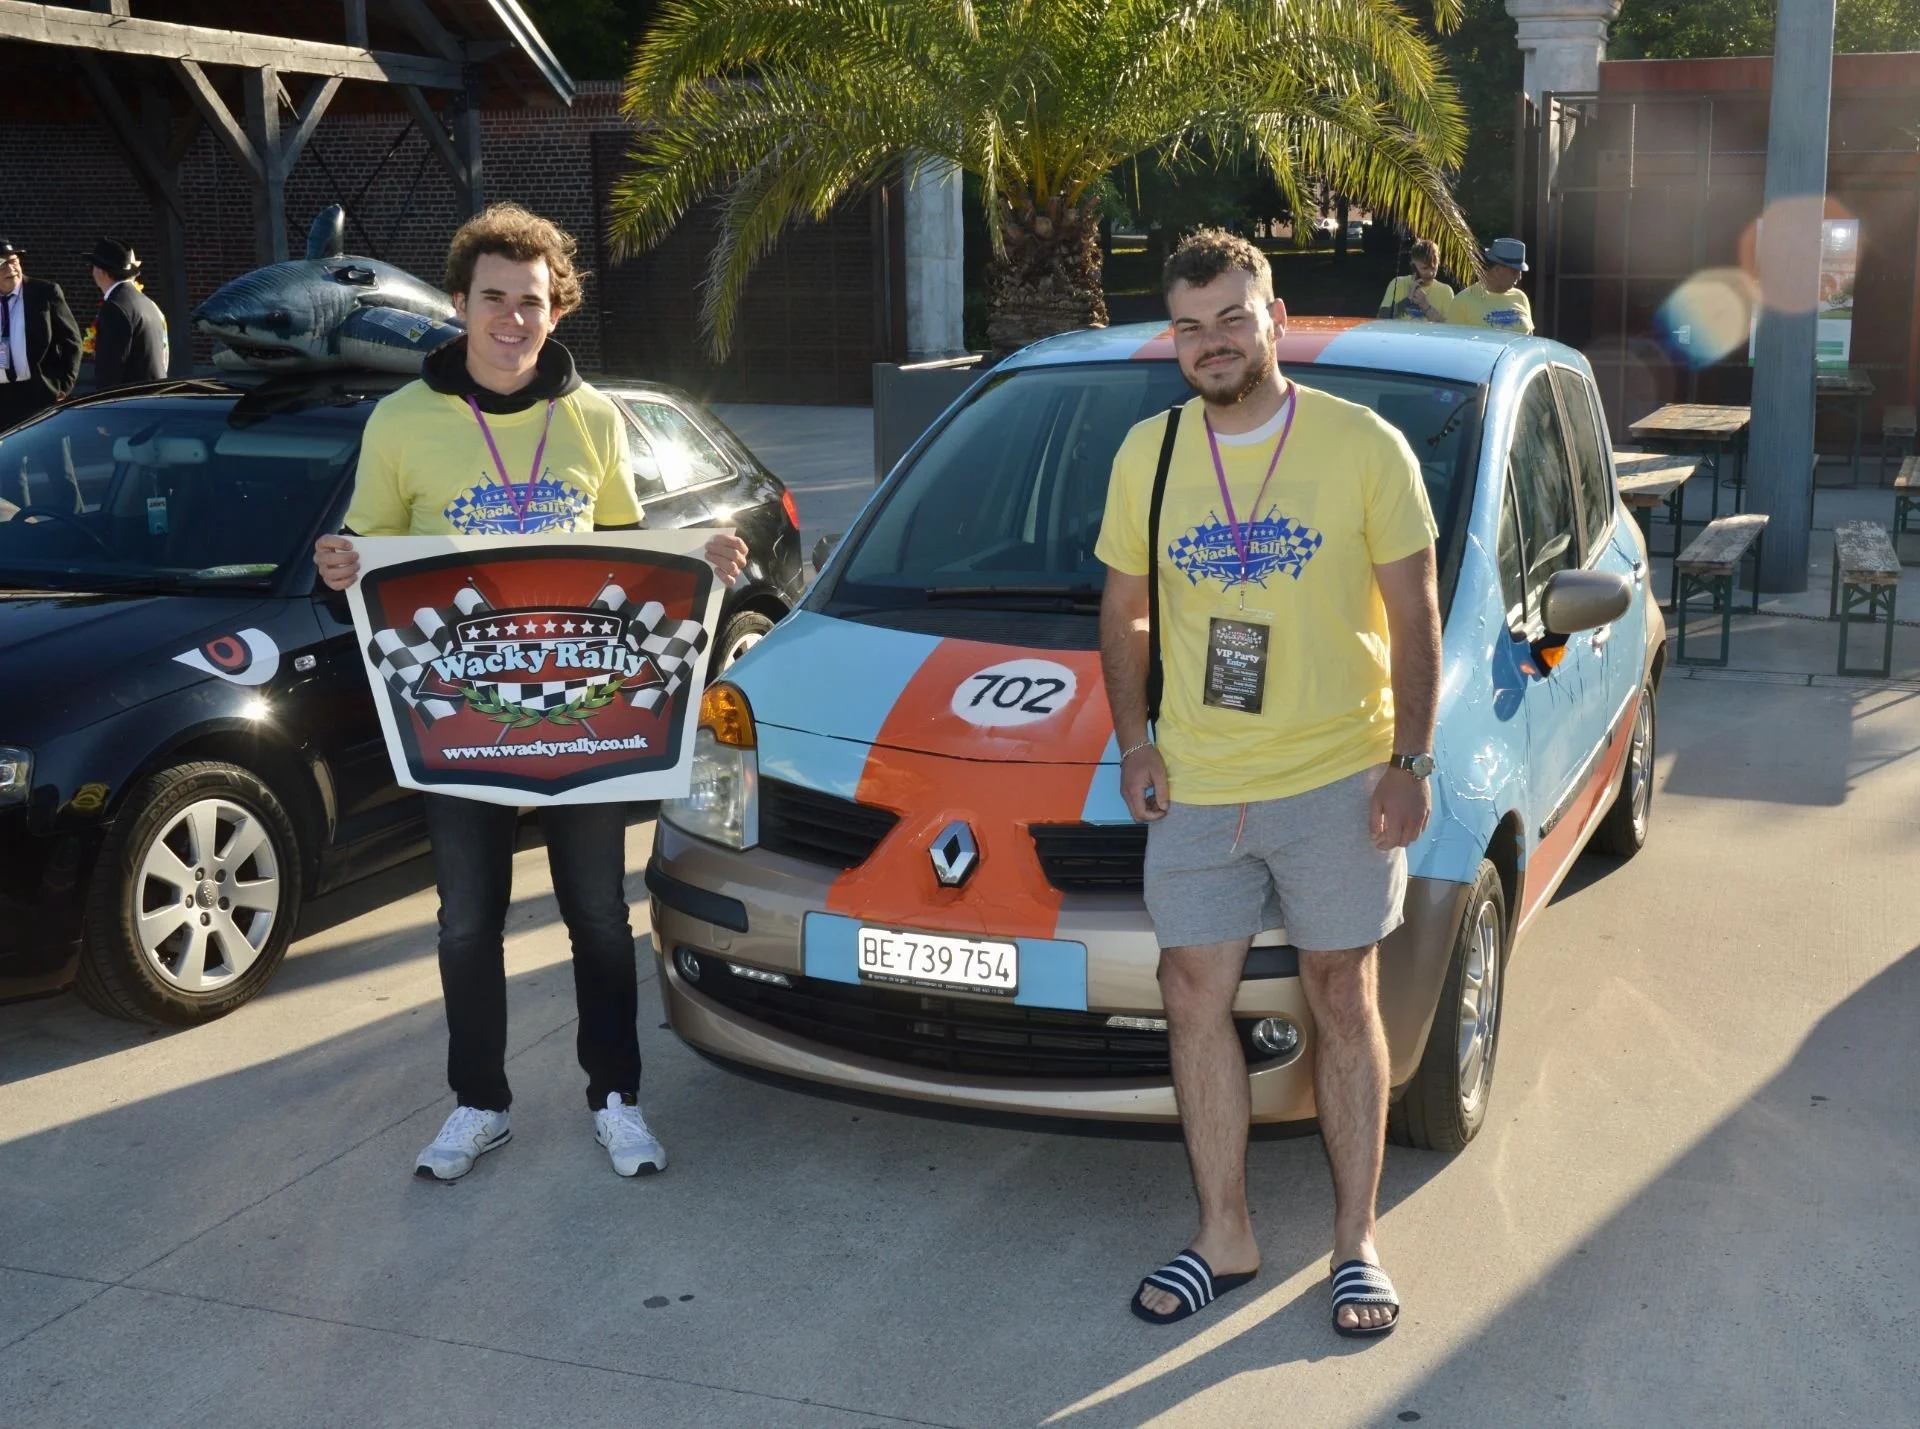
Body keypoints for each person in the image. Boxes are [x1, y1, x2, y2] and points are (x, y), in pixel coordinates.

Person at [313, 204, 749, 1183]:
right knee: (466, 921)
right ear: (461, 305)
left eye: (534, 302)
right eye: (495, 299)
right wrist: (339, 560)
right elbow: (367, 551)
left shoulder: (594, 417)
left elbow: (627, 562)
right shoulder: (402, 422)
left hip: (582, 712)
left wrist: (701, 556)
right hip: (459, 712)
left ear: (559, 310)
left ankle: (616, 1096)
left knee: (598, 916)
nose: (514, 319)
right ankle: (479, 1103)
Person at [1096, 229, 1440, 1339]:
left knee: (1344, 996)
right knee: (1192, 995)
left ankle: (1356, 1242)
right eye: (1190, 325)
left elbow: (1414, 612)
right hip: (1198, 783)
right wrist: (1135, 740)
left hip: (1340, 776)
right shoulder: (1147, 454)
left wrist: (1411, 762)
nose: (1212, 342)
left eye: (1232, 318)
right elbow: (1125, 609)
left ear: (1275, 316)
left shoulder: (1362, 445)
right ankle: (1226, 1233)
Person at [0, 239, 82, 432]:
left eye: (14, 261)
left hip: (39, 392)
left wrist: (63, 386)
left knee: (50, 458)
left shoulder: (44, 293)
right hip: (2, 397)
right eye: (2, 265)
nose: (11, 269)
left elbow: (72, 342)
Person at [87, 239, 168, 389]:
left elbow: (111, 369)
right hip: (151, 396)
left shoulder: (115, 307)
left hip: (129, 402)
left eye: (92, 266)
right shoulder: (146, 303)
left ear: (101, 271)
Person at [1444, 236, 1534, 335]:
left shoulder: (1520, 297)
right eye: (1515, 272)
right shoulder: (1463, 301)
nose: (1519, 277)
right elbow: (1453, 342)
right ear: (1497, 270)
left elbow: (1530, 338)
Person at [1375, 239, 1452, 322]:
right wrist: (1407, 300)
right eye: (1424, 268)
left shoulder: (1445, 291)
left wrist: (1425, 306)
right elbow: (1381, 317)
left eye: (1434, 268)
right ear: (1413, 266)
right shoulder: (1397, 284)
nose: (1430, 273)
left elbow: (1450, 328)